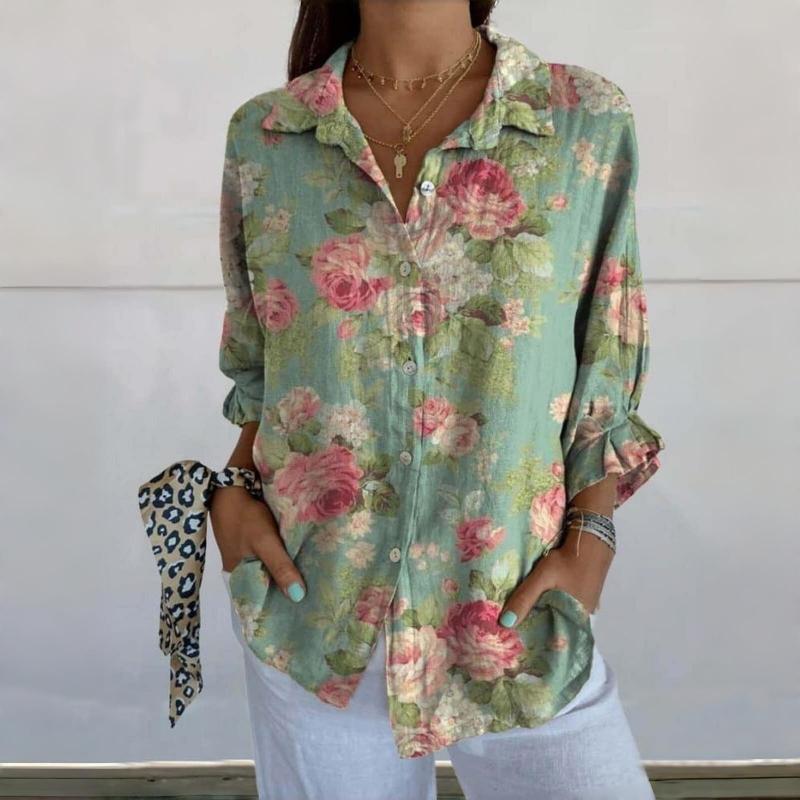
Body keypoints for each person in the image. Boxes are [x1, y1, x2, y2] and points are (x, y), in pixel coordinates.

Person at [208, 1, 665, 797]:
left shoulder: (580, 119)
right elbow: (262, 363)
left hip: (514, 612)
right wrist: (233, 494)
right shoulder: (269, 134)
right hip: (314, 610)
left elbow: (607, 346)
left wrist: (592, 536)